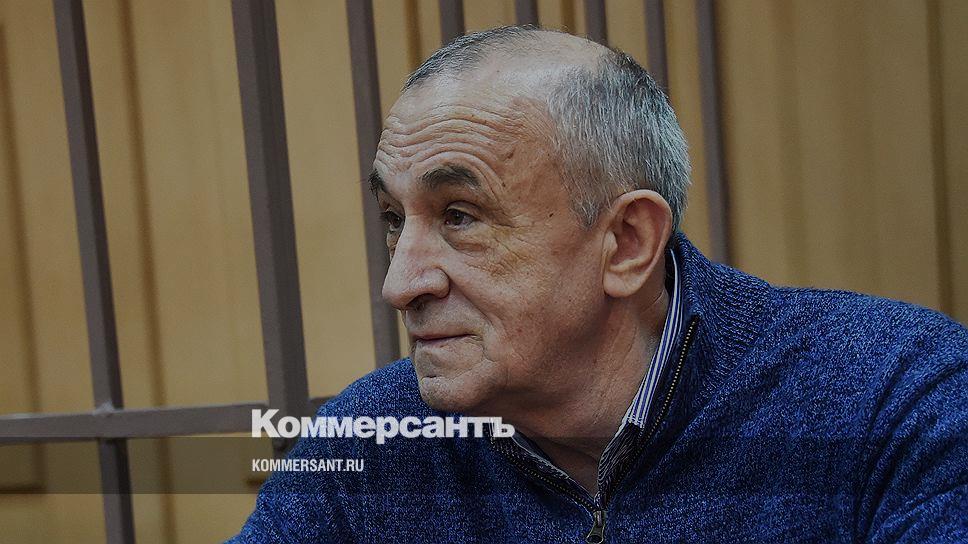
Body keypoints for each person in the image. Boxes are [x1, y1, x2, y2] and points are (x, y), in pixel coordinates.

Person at [229, 26, 967, 543]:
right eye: (395, 219)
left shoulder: (895, 397)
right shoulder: (372, 442)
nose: (401, 283)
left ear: (627, 243)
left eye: (460, 215)